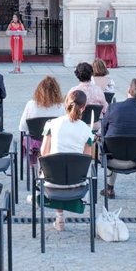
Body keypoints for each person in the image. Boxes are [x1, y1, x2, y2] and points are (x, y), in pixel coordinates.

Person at [39, 90, 93, 232]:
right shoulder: (87, 131)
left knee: (57, 168)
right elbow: (87, 159)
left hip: (52, 181)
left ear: (65, 104)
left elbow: (44, 152)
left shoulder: (51, 124)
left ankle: (59, 216)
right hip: (76, 182)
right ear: (84, 107)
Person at [99, 78, 136, 199]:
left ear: (129, 90)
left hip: (111, 158)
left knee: (113, 140)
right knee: (123, 141)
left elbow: (104, 134)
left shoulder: (112, 108)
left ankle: (110, 188)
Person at [18, 77, 64, 166]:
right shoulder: (61, 107)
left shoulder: (30, 105)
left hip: (35, 141)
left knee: (26, 138)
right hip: (54, 141)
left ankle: (34, 166)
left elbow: (22, 127)